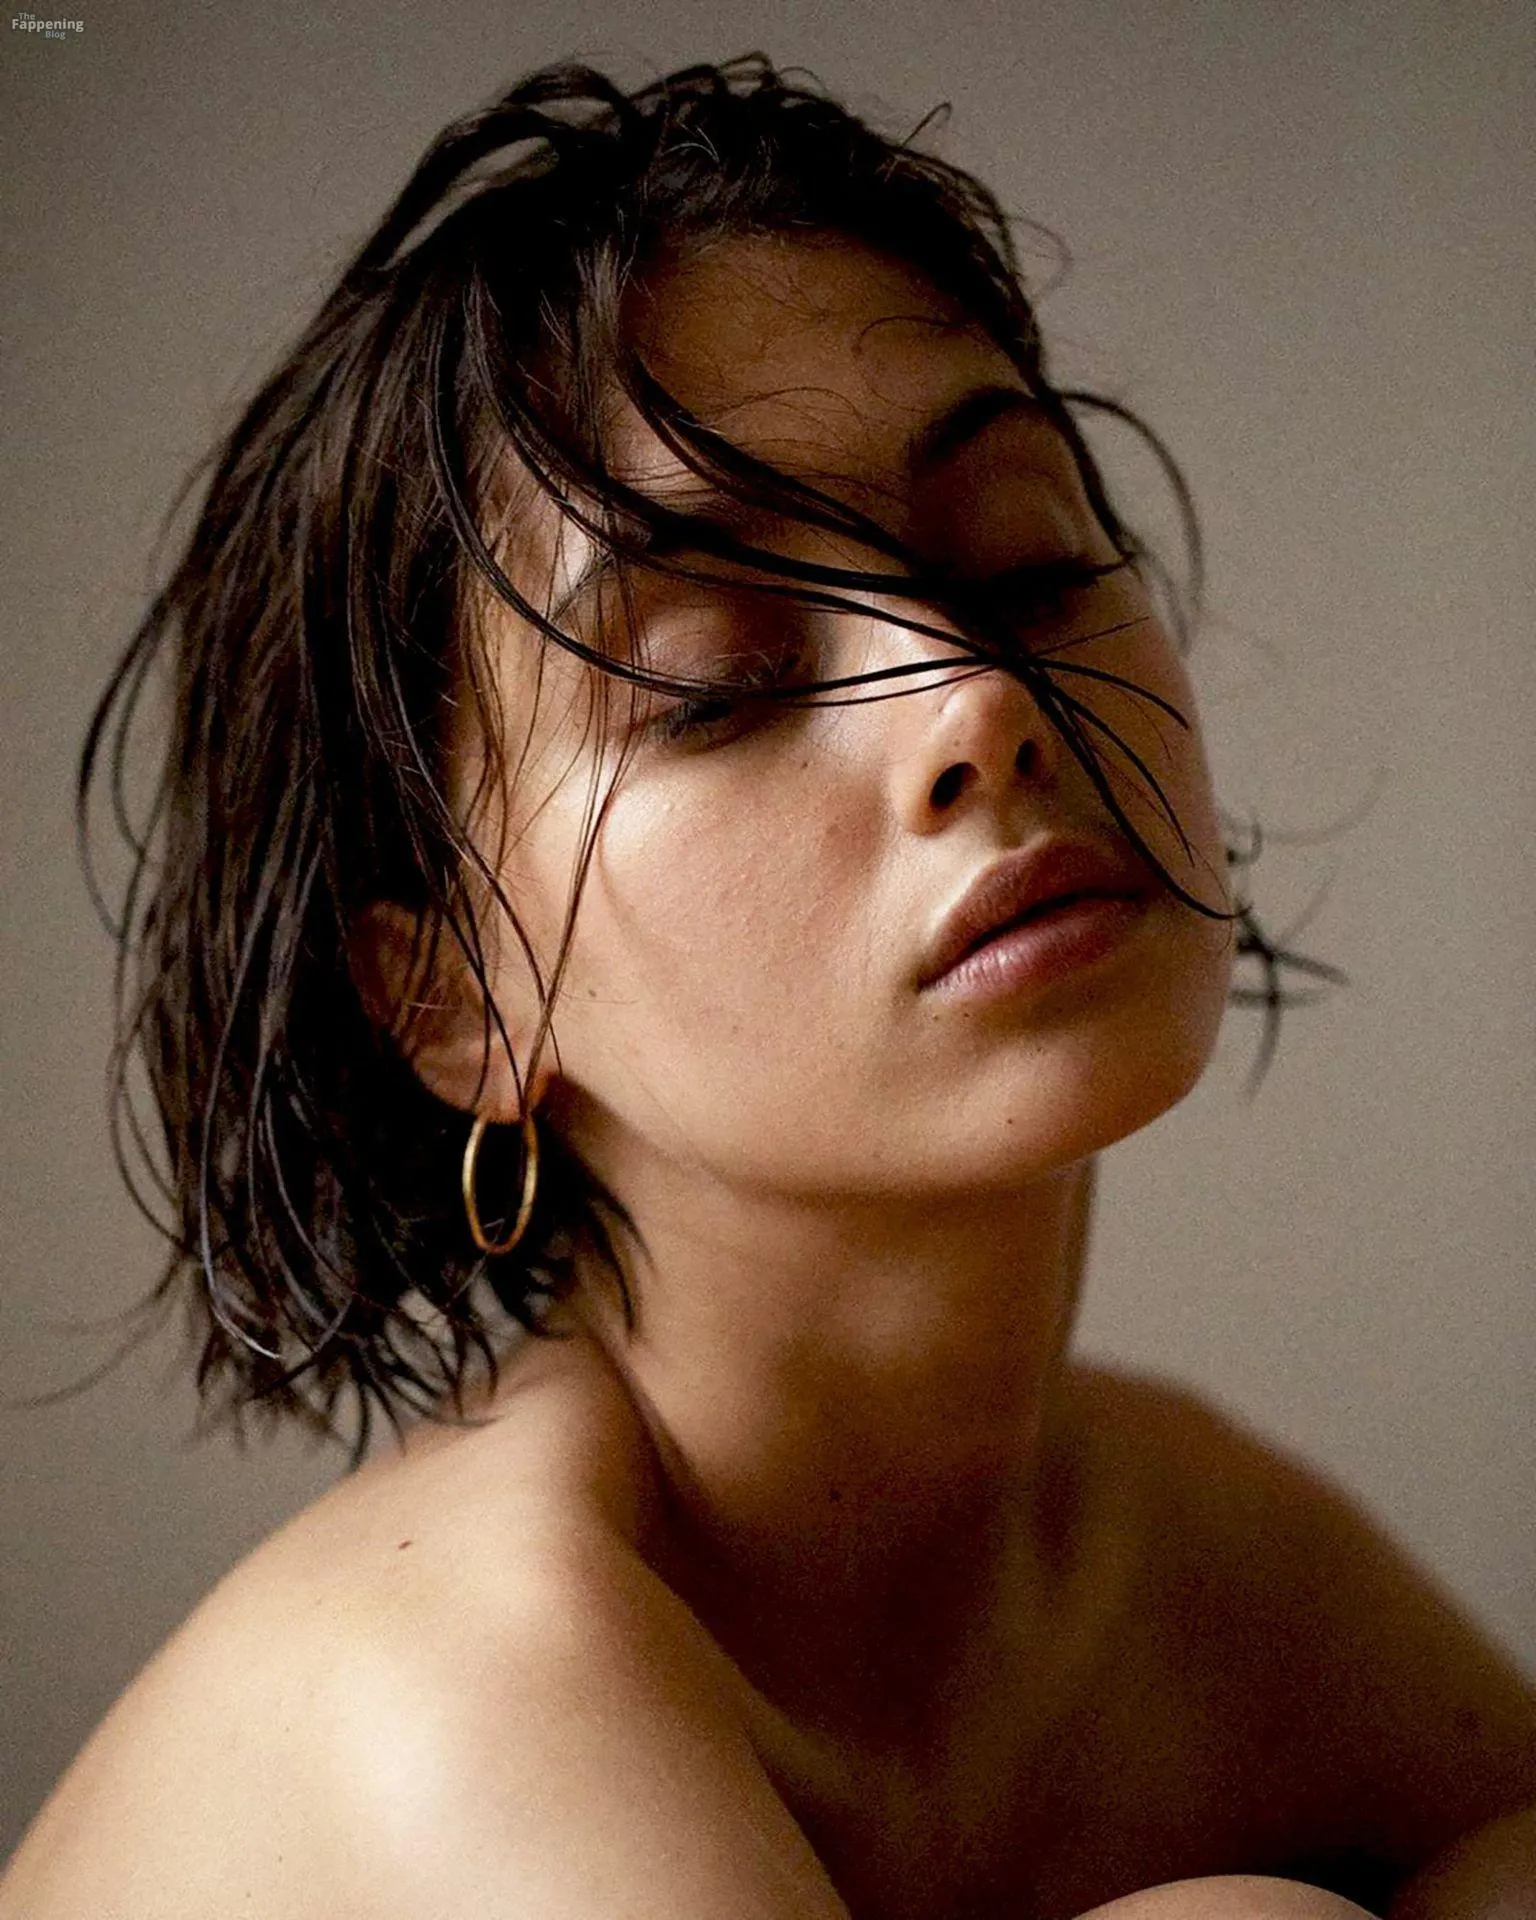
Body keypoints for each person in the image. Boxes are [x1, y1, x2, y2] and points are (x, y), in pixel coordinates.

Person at [2, 55, 1531, 1920]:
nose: (975, 696)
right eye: (718, 679)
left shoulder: (1179, 1544)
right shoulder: (471, 1699)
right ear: (460, 997)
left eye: (1028, 559)